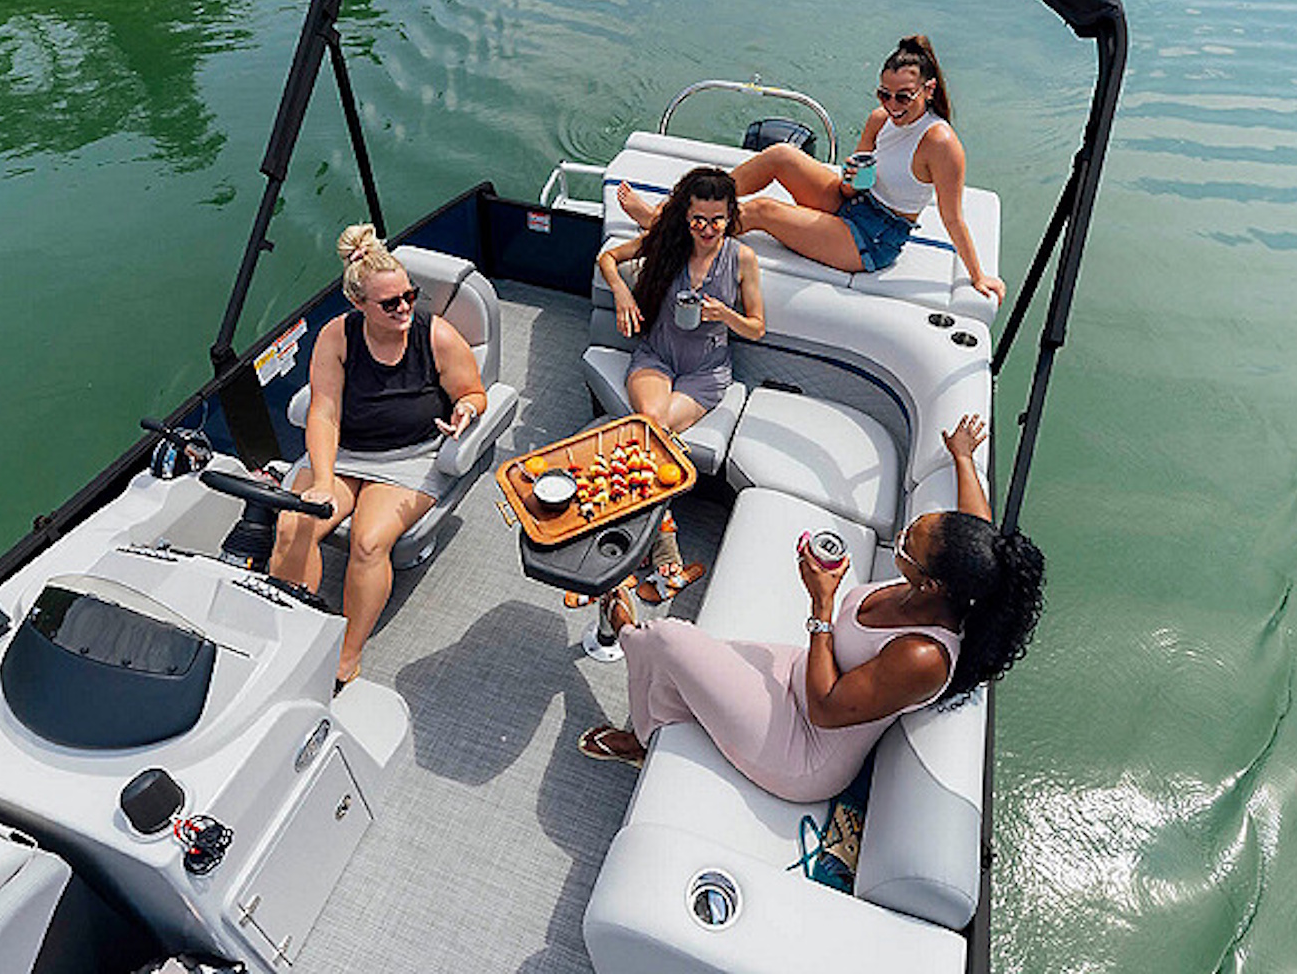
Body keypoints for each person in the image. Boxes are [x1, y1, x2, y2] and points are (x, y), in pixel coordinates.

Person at [575, 414, 1044, 803]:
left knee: (666, 638)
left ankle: (629, 665)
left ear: (932, 583)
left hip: (804, 747)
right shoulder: (962, 574)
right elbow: (978, 529)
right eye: (912, 527)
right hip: (798, 674)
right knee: (679, 664)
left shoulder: (924, 656)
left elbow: (824, 709)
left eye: (906, 544)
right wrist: (962, 457)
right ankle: (651, 732)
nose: (902, 538)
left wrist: (822, 601)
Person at [618, 36, 1004, 302]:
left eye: (903, 97)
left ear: (929, 90)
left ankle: (666, 228)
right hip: (853, 202)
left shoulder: (941, 143)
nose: (892, 106)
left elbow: (953, 217)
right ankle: (675, 210)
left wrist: (978, 275)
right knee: (781, 155)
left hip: (874, 237)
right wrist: (851, 182)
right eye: (883, 94)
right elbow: (850, 189)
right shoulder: (879, 119)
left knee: (762, 211)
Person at [271, 225, 487, 691]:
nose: (405, 307)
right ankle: (293, 632)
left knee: (369, 542)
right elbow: (323, 412)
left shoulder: (437, 335)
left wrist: (467, 410)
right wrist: (322, 480)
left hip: (410, 457)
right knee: (293, 525)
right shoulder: (337, 336)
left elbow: (473, 392)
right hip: (346, 452)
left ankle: (346, 656)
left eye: (410, 296)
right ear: (358, 304)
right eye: (390, 303)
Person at [592, 165, 765, 603]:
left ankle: (628, 537)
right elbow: (608, 259)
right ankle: (664, 554)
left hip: (705, 373)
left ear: (730, 216)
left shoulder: (742, 258)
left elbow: (757, 327)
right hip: (657, 356)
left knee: (653, 434)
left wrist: (725, 314)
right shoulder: (666, 242)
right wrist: (622, 292)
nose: (706, 229)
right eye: (697, 220)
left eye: (717, 220)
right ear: (685, 216)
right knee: (651, 424)